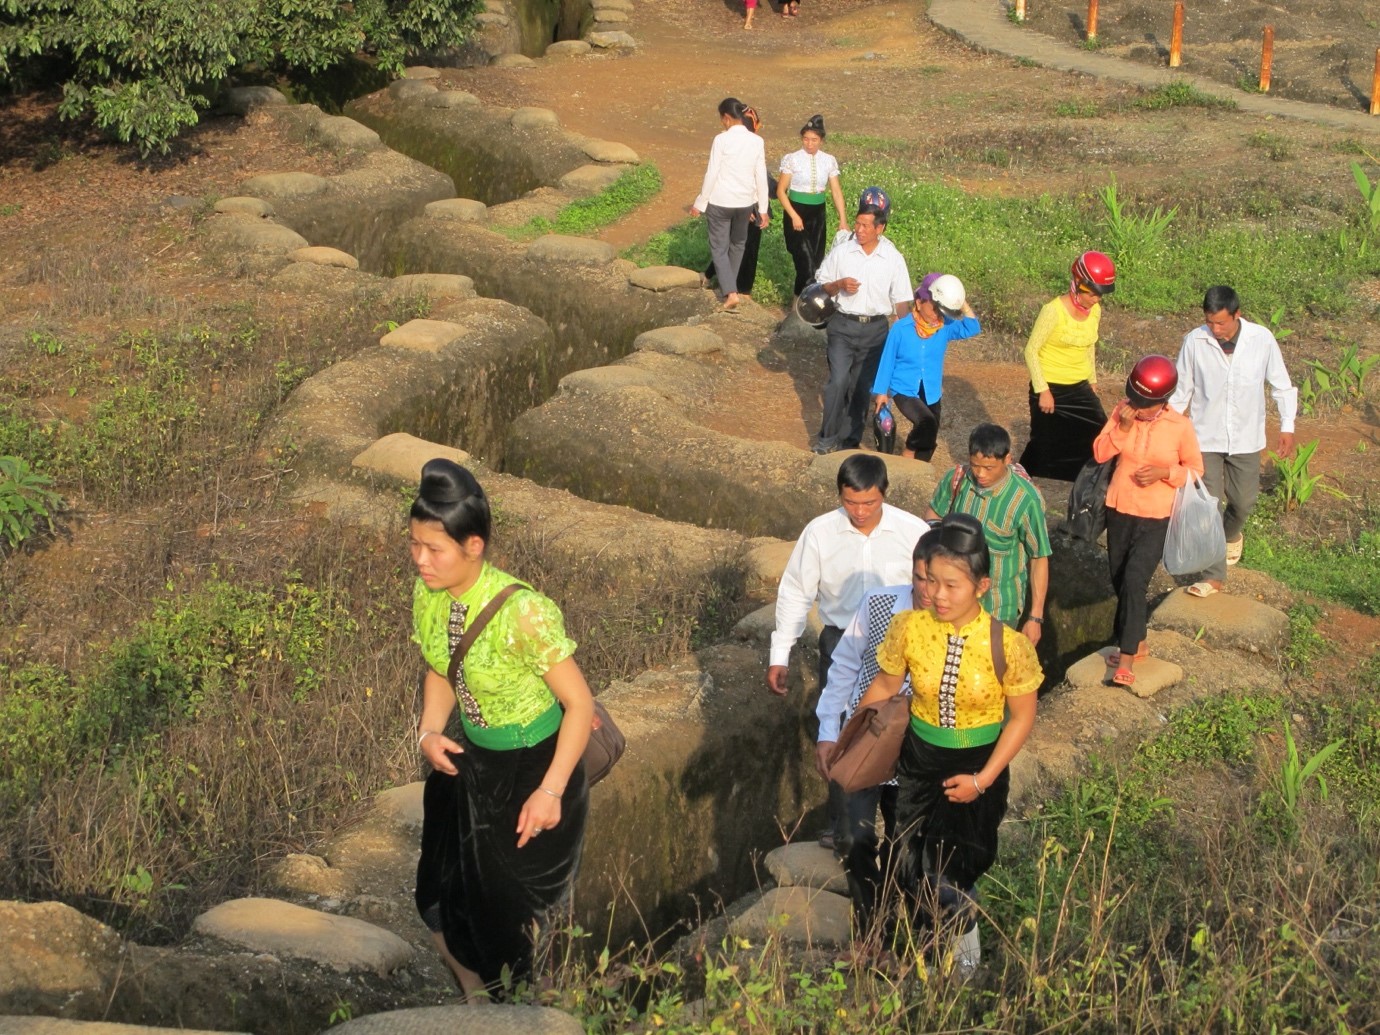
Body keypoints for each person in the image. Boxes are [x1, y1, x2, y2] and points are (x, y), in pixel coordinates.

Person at [409, 459, 594, 999]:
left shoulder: (524, 612)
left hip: (538, 767)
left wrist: (550, 791)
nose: (421, 560)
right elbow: (442, 667)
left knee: (510, 918)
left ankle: (517, 1014)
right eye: (414, 545)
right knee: (443, 890)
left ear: (474, 546)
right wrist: (429, 730)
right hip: (475, 763)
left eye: (433, 549)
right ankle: (474, 994)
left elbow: (578, 705)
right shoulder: (430, 595)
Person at [855, 513, 1043, 972]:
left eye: (951, 585)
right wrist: (852, 742)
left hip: (979, 764)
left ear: (981, 585)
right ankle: (932, 946)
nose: (935, 595)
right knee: (905, 863)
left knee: (950, 873)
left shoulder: (1009, 644)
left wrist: (983, 780)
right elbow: (883, 686)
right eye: (930, 582)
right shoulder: (908, 627)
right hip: (918, 762)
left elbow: (1022, 717)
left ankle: (964, 969)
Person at [768, 454, 928, 848]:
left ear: (884, 495)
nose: (858, 512)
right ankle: (844, 828)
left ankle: (902, 829)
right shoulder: (821, 533)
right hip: (843, 641)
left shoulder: (912, 531)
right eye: (850, 502)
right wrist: (780, 654)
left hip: (908, 644)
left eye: (868, 503)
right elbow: (795, 591)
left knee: (899, 729)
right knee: (841, 726)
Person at [816, 528, 940, 934]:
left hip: (919, 751)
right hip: (868, 739)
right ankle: (873, 929)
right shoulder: (879, 603)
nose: (926, 589)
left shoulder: (962, 629)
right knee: (852, 838)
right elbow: (845, 666)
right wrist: (830, 730)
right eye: (919, 577)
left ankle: (918, 932)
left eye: (936, 580)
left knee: (907, 848)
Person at [1167, 285, 1299, 598]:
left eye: (1222, 323)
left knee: (1242, 503)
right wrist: (1168, 430)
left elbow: (1281, 385)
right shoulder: (1194, 342)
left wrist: (1287, 426)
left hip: (1246, 438)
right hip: (1204, 437)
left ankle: (1230, 536)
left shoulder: (1261, 340)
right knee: (1209, 505)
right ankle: (1213, 575)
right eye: (1210, 322)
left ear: (1237, 315)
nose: (1215, 330)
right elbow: (1181, 391)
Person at [1092, 356, 1204, 686]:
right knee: (1119, 577)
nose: (1138, 408)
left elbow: (1196, 470)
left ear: (1163, 402)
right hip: (1120, 507)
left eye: (1145, 404)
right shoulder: (1121, 413)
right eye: (1135, 400)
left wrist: (1165, 473)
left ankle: (1126, 660)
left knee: (1135, 578)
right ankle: (1138, 642)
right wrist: (1123, 428)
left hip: (1157, 514)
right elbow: (1100, 453)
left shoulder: (1180, 426)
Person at [926, 423, 1051, 645]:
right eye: (975, 465)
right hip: (952, 604)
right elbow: (934, 512)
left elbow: (1039, 556)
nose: (981, 474)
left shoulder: (1025, 500)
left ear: (1007, 459)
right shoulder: (957, 479)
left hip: (999, 608)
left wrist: (1035, 617)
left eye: (989, 468)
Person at [811, 187, 914, 454]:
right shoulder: (842, 253)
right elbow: (820, 286)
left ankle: (849, 442)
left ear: (880, 228)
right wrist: (839, 284)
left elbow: (902, 301)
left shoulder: (893, 259)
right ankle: (826, 439)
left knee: (860, 388)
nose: (859, 229)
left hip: (876, 332)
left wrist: (907, 338)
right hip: (842, 326)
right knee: (837, 382)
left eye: (865, 225)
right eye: (857, 223)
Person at [1019, 251, 1117, 481]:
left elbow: (1089, 345)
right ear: (1077, 284)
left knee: (1099, 434)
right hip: (1050, 386)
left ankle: (1088, 481)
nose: (1095, 299)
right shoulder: (1052, 311)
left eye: (1099, 295)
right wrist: (1043, 390)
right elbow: (1031, 350)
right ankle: (1021, 479)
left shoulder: (1095, 311)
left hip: (1079, 386)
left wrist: (1092, 381)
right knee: (1043, 442)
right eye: (1091, 293)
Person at [871, 273, 981, 461]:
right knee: (926, 422)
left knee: (930, 434)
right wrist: (881, 391)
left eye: (941, 309)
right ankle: (908, 453)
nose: (936, 314)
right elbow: (887, 359)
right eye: (933, 308)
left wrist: (959, 300)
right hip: (904, 389)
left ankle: (918, 468)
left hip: (931, 389)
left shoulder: (944, 326)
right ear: (919, 303)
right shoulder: (901, 328)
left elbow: (973, 327)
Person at [690, 98, 771, 311]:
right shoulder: (756, 141)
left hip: (720, 201)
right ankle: (731, 287)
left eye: (722, 120)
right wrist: (762, 209)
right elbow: (760, 175)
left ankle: (731, 292)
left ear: (726, 118)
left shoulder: (721, 140)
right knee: (738, 245)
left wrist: (700, 202)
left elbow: (712, 172)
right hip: (745, 204)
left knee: (719, 247)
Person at [777, 114, 848, 298]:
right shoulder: (792, 159)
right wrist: (793, 215)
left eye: (814, 140)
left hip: (818, 215)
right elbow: (780, 191)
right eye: (806, 139)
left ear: (821, 140)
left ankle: (800, 305)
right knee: (805, 262)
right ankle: (800, 306)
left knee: (816, 264)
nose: (809, 144)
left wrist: (843, 220)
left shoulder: (828, 160)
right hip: (796, 213)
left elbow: (836, 191)